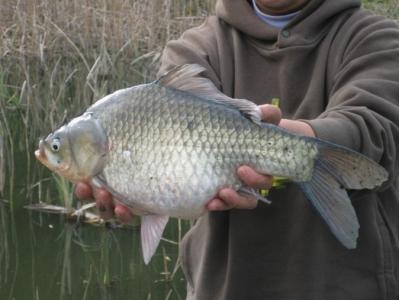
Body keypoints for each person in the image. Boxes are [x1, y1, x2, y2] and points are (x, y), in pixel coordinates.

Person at [76, 0, 399, 299]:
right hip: (224, 288)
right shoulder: (194, 50)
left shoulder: (376, 38)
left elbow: (378, 132)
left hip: (347, 287)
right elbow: (168, 175)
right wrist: (143, 197)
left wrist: (291, 143)